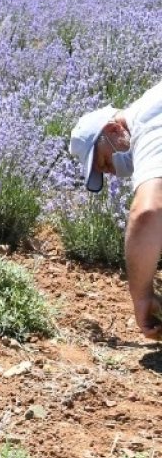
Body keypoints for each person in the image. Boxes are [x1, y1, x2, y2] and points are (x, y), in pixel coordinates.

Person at [70, 80, 162, 340]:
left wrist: (142, 296)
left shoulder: (148, 128)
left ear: (113, 130)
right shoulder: (151, 103)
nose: (111, 171)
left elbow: (146, 213)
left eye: (104, 162)